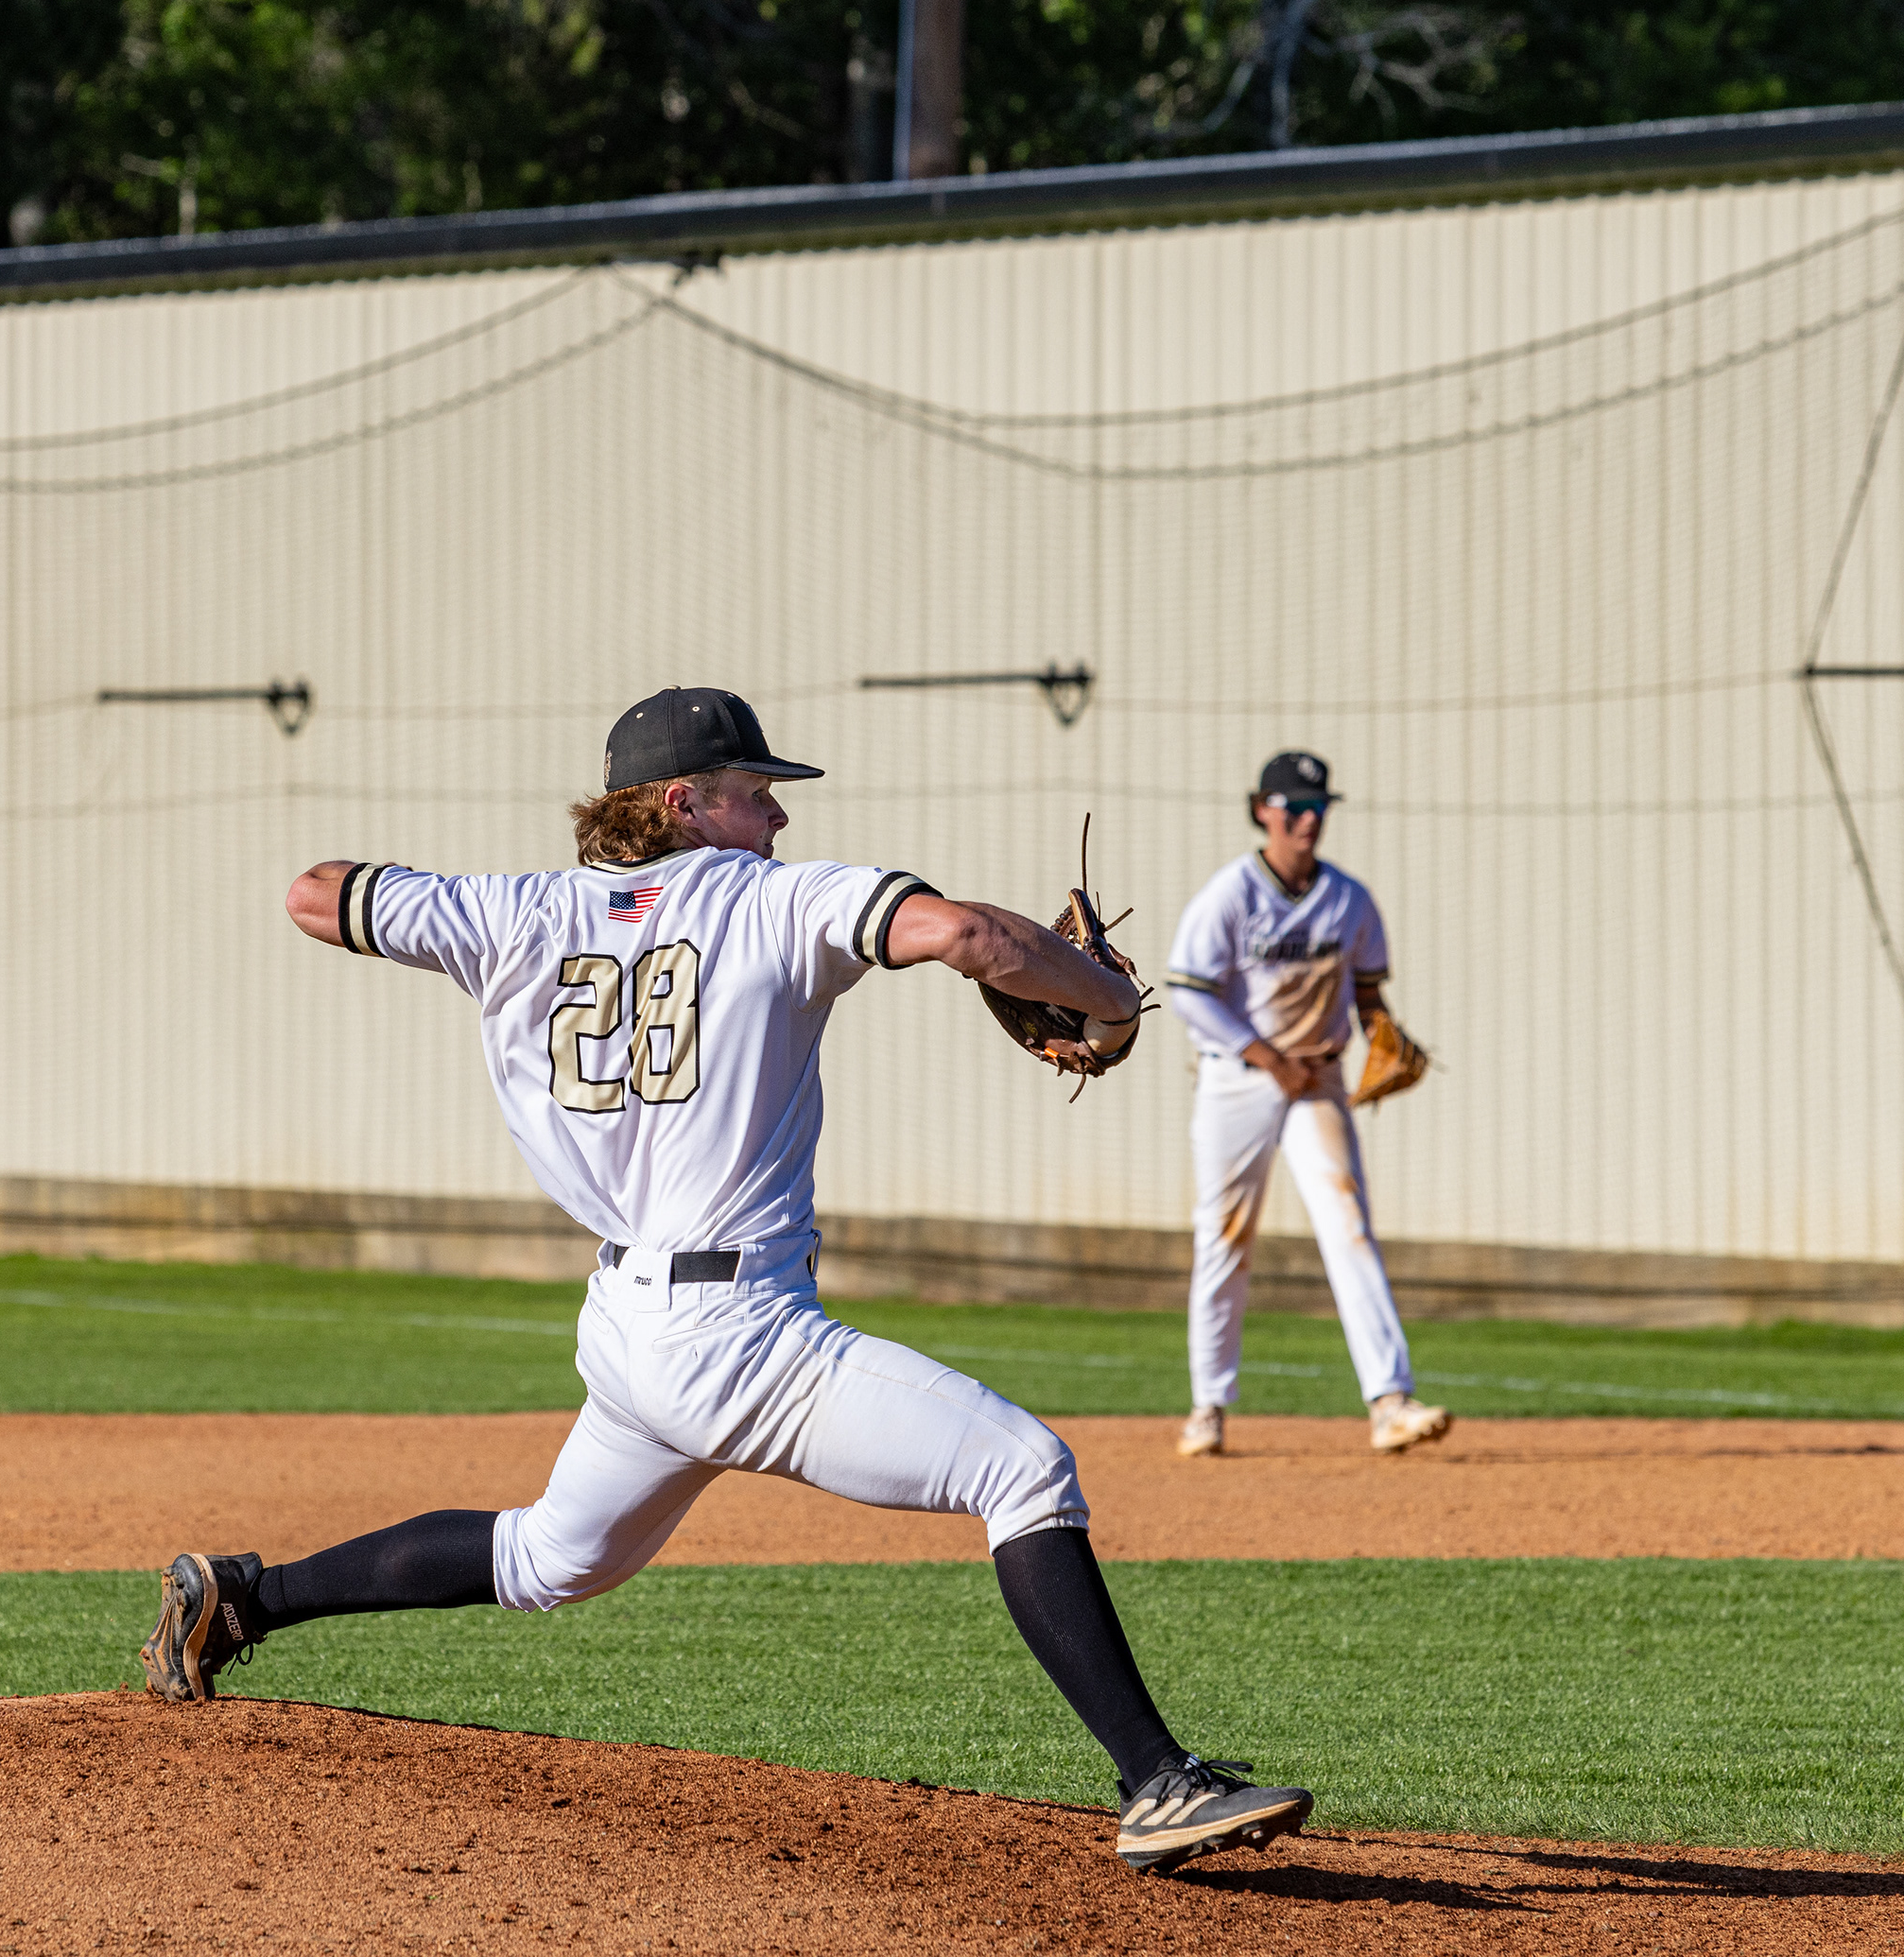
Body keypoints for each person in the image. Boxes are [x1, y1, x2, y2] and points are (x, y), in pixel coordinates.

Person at [140, 685, 1317, 1879]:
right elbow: (970, 933)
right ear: (684, 802)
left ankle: (243, 1597)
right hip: (738, 1333)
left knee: (550, 1559)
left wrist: (459, 915)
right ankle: (1157, 1780)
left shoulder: (514, 910)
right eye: (757, 794)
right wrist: (1110, 997)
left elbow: (313, 892)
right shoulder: (774, 901)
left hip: (628, 1325)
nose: (778, 818)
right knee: (1022, 1467)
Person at [1160, 752, 1448, 1459]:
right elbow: (1190, 993)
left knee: (1349, 1225)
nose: (1308, 820)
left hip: (1316, 1079)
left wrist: (1381, 1030)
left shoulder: (1348, 898)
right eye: (1294, 807)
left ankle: (1390, 1402)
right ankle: (1207, 1408)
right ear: (1263, 809)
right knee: (1225, 1235)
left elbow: (1367, 989)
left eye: (1318, 807)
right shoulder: (1231, 894)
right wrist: (1270, 1059)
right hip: (1239, 1080)